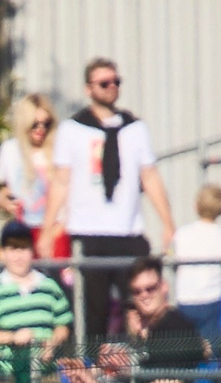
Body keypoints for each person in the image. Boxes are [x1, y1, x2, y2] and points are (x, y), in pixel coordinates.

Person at [50, 57, 174, 328]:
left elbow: (149, 176)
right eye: (104, 83)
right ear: (89, 88)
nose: (111, 87)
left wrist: (167, 224)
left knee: (138, 303)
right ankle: (92, 366)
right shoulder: (73, 129)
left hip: (128, 231)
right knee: (93, 309)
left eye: (116, 82)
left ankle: (138, 364)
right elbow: (61, 180)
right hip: (88, 232)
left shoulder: (134, 128)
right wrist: (49, 227)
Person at [0, 220, 73, 377]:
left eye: (24, 248)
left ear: (32, 250)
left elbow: (63, 325)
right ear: (2, 252)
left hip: (46, 372)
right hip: (8, 374)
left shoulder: (49, 286)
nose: (19, 256)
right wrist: (13, 337)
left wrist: (51, 345)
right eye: (13, 248)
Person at [169, 184, 221, 331]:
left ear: (197, 206)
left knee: (188, 346)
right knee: (210, 346)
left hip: (185, 297)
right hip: (211, 298)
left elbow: (172, 258)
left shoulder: (182, 233)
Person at [0, 96, 61, 243]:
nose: (41, 129)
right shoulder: (10, 150)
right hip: (22, 230)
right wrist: (5, 201)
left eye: (46, 123)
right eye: (35, 124)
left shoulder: (59, 150)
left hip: (55, 229)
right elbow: (5, 190)